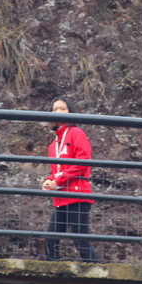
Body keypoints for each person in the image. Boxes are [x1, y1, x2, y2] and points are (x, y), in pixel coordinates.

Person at [41, 97, 97, 263]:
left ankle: (98, 273)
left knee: (80, 240)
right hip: (61, 197)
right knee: (50, 240)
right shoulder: (53, 144)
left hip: (78, 195)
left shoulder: (76, 133)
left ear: (70, 112)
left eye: (62, 108)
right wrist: (48, 181)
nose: (58, 112)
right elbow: (55, 172)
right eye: (55, 109)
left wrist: (58, 181)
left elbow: (83, 162)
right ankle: (54, 276)